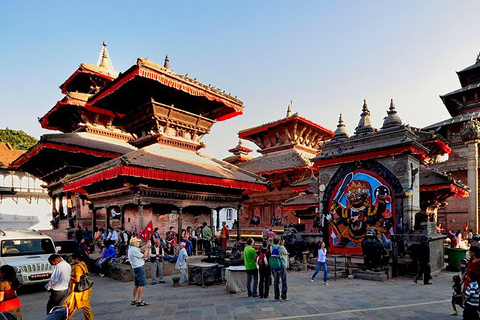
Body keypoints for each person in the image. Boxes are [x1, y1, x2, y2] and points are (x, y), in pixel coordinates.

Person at [63, 252, 94, 320]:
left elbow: (77, 279)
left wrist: (69, 276)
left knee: (70, 306)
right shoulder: (82, 264)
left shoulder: (77, 267)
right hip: (84, 290)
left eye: (73, 259)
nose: (72, 260)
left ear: (76, 259)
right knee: (86, 307)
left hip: (77, 290)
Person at [127, 237, 150, 307]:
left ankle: (134, 299)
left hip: (135, 267)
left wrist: (146, 245)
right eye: (137, 242)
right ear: (134, 243)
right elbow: (145, 255)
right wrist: (147, 248)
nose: (139, 243)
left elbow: (140, 249)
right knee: (141, 284)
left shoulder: (131, 248)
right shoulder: (134, 250)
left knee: (136, 284)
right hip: (139, 267)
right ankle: (139, 300)